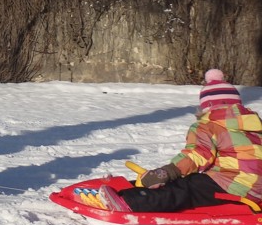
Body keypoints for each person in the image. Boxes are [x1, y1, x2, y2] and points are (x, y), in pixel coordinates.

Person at [97, 69, 262, 213]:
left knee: (188, 187)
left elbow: (197, 155)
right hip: (258, 189)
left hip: (234, 185)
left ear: (206, 105)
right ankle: (134, 190)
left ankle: (130, 202)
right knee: (197, 181)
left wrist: (166, 173)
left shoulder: (208, 125)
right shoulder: (253, 124)